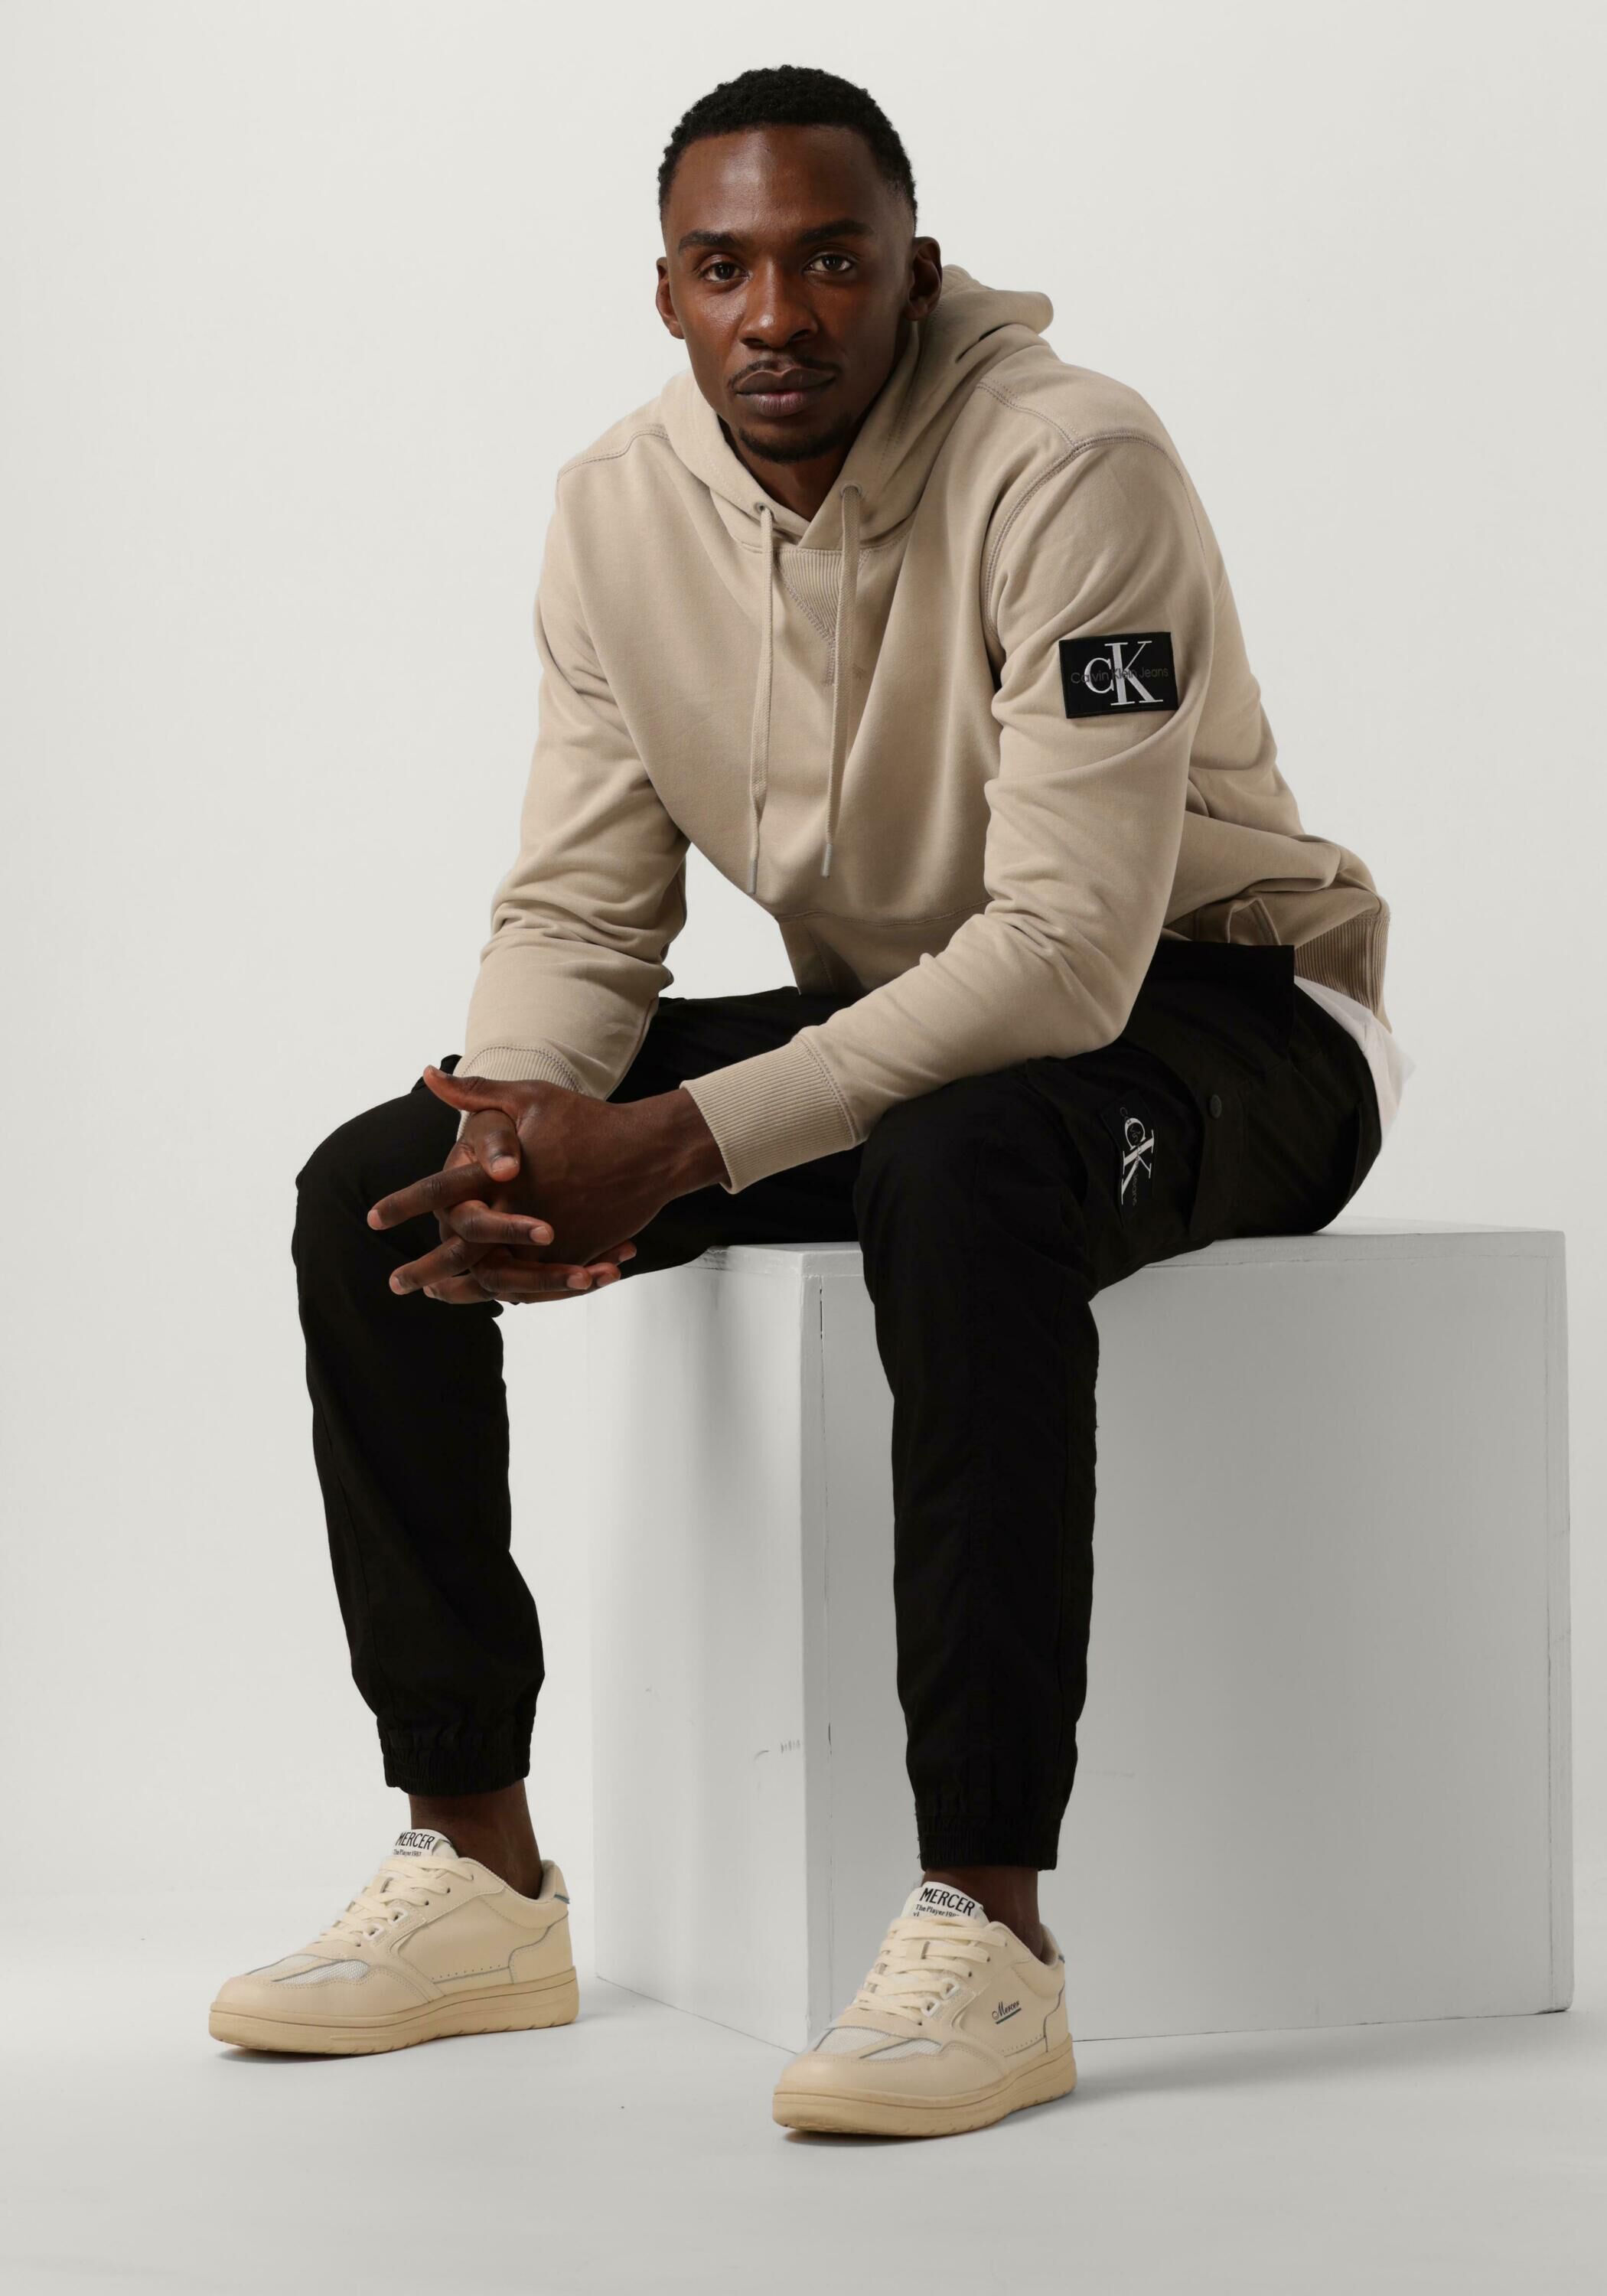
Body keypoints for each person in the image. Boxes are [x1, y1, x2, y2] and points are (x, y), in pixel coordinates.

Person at [210, 64, 1413, 2138]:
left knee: (959, 1169)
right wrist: (518, 1130)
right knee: (377, 1186)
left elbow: (1068, 955)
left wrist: (676, 1147)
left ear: (914, 274)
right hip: (910, 1021)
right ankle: (477, 1867)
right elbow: (582, 907)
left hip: (1225, 1015)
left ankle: (987, 1930)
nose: (778, 312)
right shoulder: (615, 510)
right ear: (667, 294)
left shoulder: (1074, 462)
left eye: (832, 260)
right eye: (725, 268)